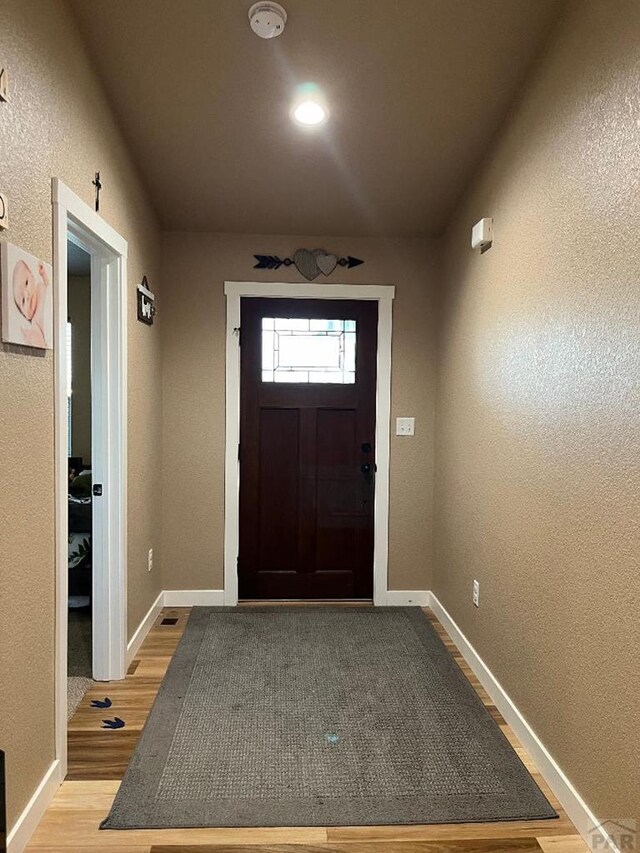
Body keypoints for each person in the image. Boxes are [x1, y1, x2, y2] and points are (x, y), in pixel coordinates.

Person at [12, 258, 50, 347]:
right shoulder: (35, 322)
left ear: (32, 277)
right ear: (25, 315)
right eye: (23, 301)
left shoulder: (40, 286)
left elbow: (48, 288)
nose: (27, 294)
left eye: (26, 283)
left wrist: (43, 274)